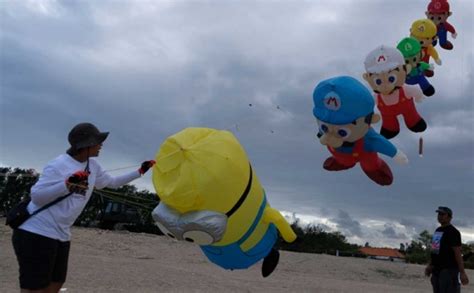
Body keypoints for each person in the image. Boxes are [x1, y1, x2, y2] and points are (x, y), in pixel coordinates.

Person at [11, 122, 155, 293]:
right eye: (98, 141)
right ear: (85, 145)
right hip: (36, 232)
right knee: (35, 288)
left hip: (61, 234)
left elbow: (112, 183)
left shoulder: (92, 166)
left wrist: (140, 171)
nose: (101, 145)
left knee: (56, 283)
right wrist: (67, 184)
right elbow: (37, 196)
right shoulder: (58, 165)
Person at [425, 206, 470, 292]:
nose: (440, 216)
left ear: (449, 217)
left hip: (449, 271)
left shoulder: (454, 232)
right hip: (436, 271)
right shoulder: (438, 231)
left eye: (442, 214)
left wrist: (462, 272)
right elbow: (435, 250)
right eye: (439, 214)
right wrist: (430, 265)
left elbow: (457, 253)